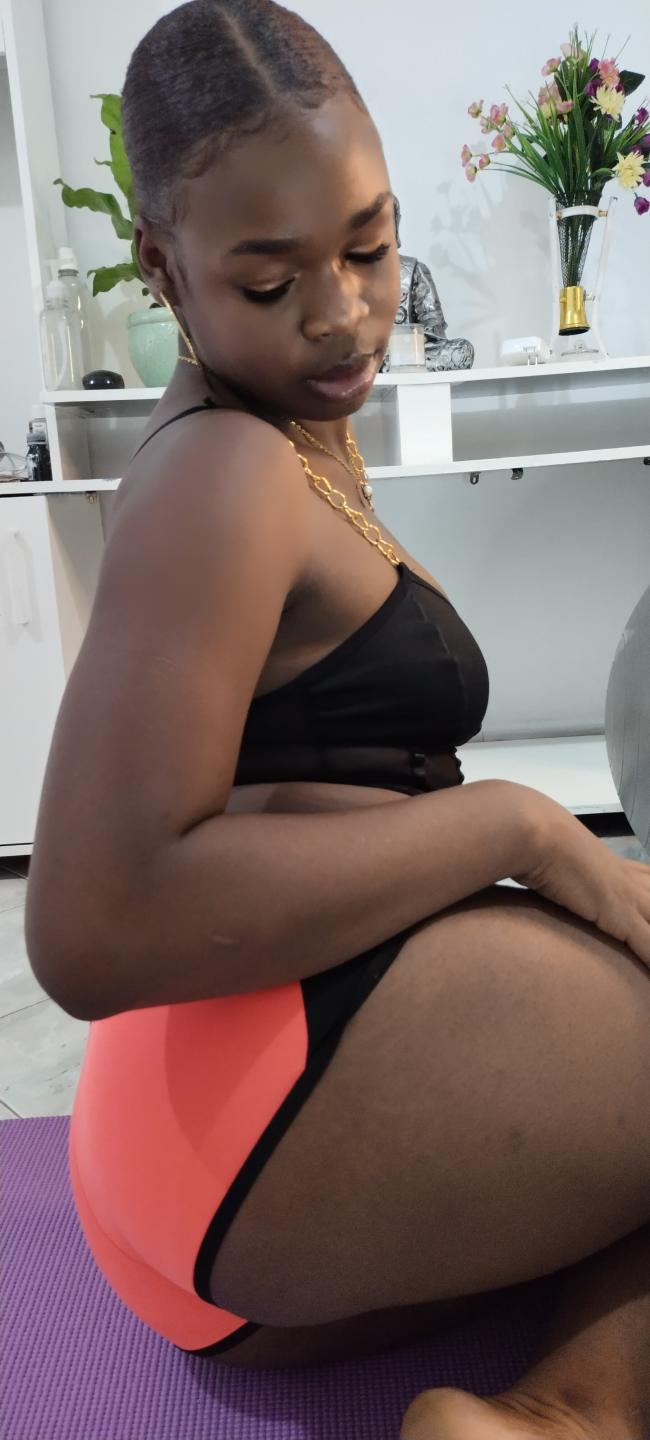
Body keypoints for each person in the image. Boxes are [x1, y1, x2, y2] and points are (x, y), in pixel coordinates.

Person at [24, 2, 650, 1435]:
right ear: (163, 271)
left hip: (213, 1143)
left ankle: (562, 1413)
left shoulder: (282, 438)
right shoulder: (219, 479)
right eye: (268, 281)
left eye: (367, 249)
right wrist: (513, 828)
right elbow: (88, 925)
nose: (339, 312)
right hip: (263, 1131)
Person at [378, 197, 475, 372]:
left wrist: (412, 341)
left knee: (461, 351)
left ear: (395, 224)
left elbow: (434, 323)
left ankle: (386, 367)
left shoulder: (414, 270)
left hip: (407, 353)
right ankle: (385, 366)